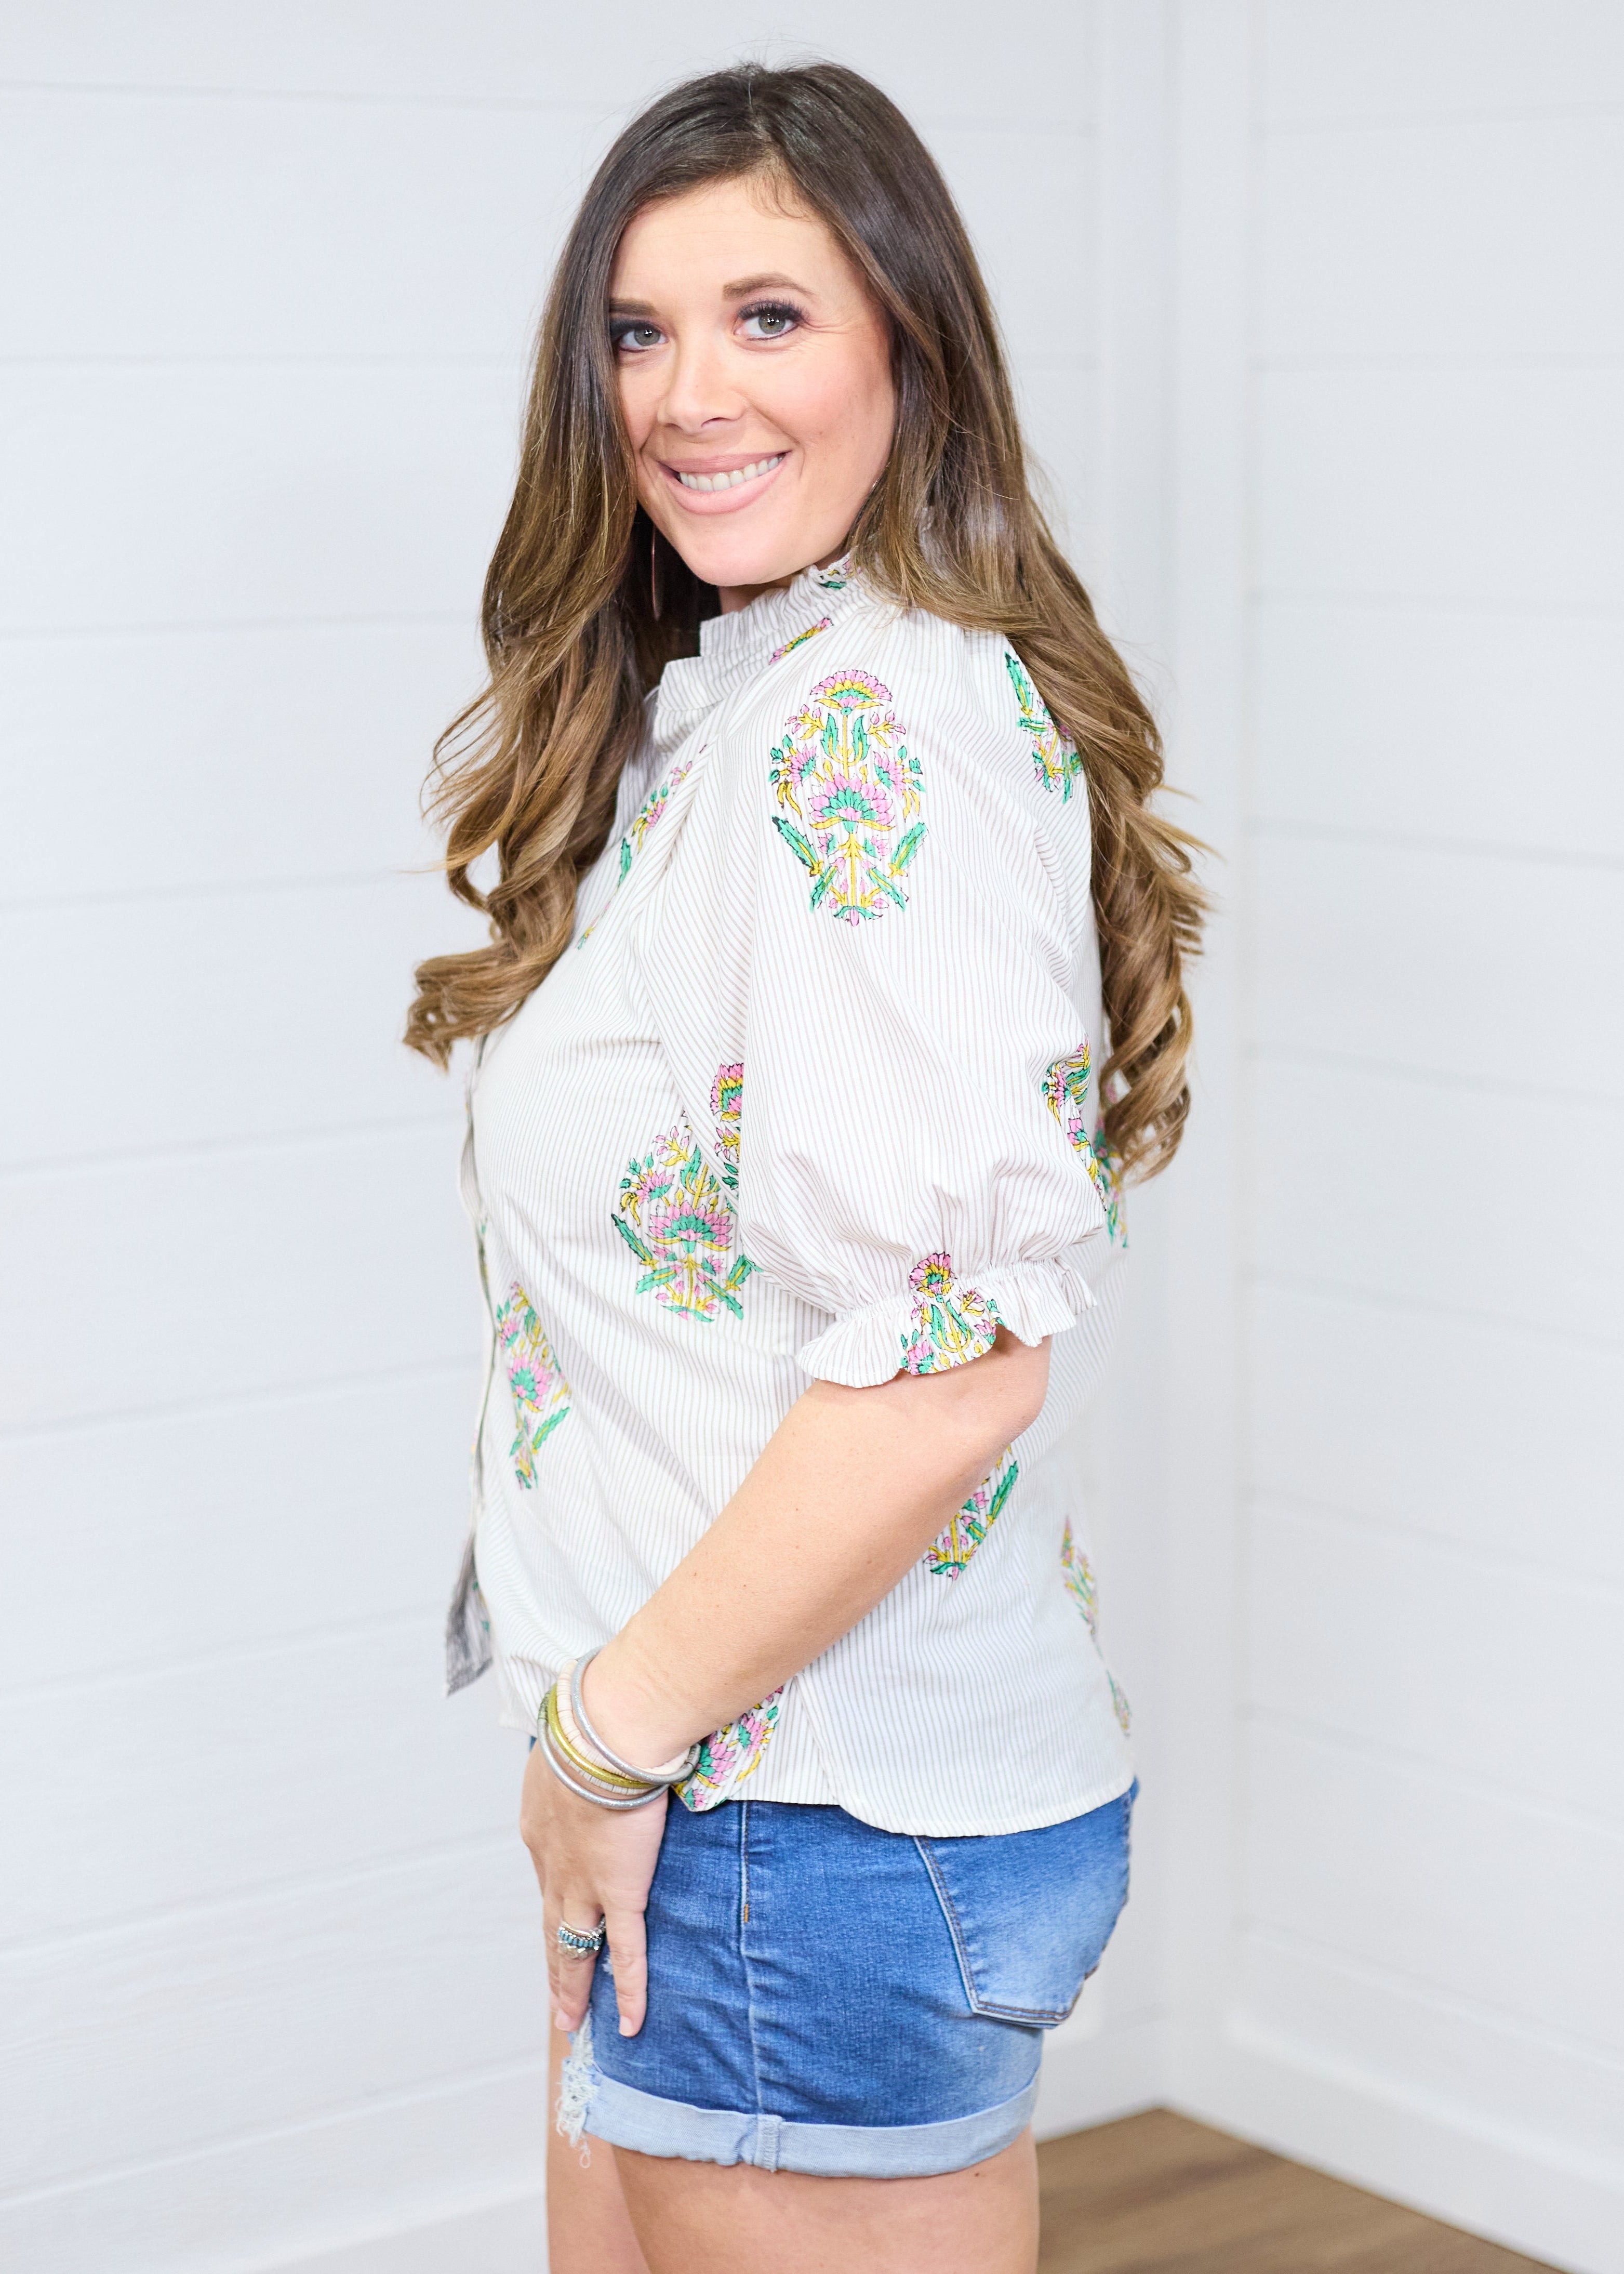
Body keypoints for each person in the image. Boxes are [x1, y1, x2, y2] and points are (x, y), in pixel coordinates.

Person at [405, 60, 1203, 2274]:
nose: (683, 393)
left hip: (784, 1808)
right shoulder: (741, 700)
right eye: (638, 331)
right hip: (724, 1787)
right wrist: (599, 1750)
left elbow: (949, 1371)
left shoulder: (869, 727)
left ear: (905, 349)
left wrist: (595, 1741)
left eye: (767, 316)